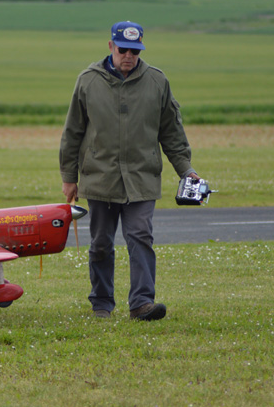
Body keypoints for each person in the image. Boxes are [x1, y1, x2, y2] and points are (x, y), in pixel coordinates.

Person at [59, 21, 200, 321]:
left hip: (141, 177)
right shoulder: (87, 81)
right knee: (100, 244)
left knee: (140, 237)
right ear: (110, 46)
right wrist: (69, 178)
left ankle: (142, 304)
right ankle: (101, 304)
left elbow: (172, 133)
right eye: (123, 49)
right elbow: (72, 132)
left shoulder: (157, 82)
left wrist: (186, 170)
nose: (129, 56)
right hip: (99, 178)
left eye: (135, 51)